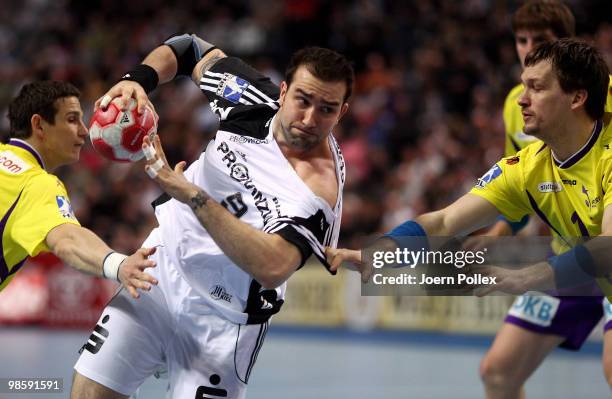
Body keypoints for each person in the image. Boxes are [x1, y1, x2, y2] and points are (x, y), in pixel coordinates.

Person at [71, 34, 352, 399]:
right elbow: (189, 50)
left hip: (225, 321)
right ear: (282, 92)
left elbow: (273, 265)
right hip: (158, 273)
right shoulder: (251, 98)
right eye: (303, 100)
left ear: (342, 112)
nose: (310, 118)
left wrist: (191, 195)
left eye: (327, 109)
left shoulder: (318, 190)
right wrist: (135, 81)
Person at [327, 38, 612, 393]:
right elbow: (444, 222)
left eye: (537, 88)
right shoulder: (526, 169)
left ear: (576, 97)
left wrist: (527, 278)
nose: (521, 99)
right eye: (523, 86)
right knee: (498, 371)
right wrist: (381, 253)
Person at [471, 2, 612, 397]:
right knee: (498, 372)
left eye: (541, 40)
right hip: (570, 261)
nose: (527, 47)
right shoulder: (518, 108)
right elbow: (523, 188)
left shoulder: (605, 96)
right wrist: (498, 230)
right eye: (521, 40)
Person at [1, 80, 157, 298]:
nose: (85, 131)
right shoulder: (36, 184)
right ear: (39, 125)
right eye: (73, 119)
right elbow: (67, 240)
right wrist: (118, 264)